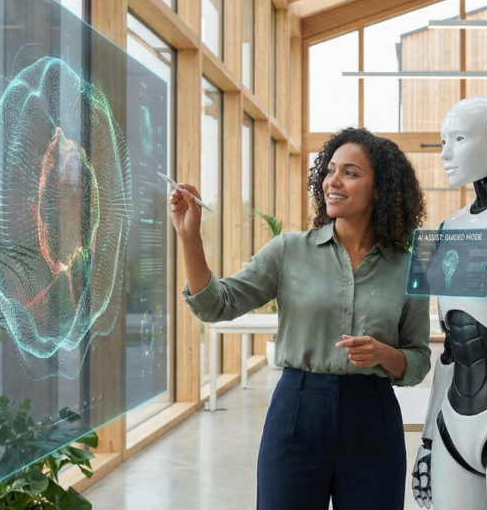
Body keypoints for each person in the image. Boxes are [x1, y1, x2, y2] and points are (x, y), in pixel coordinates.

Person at [172, 127, 431, 510]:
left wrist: (383, 355)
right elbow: (216, 305)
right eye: (329, 171)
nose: (333, 181)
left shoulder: (409, 267)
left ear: (381, 190)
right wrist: (190, 237)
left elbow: (418, 360)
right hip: (297, 412)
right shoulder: (289, 251)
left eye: (350, 173)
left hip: (372, 419)